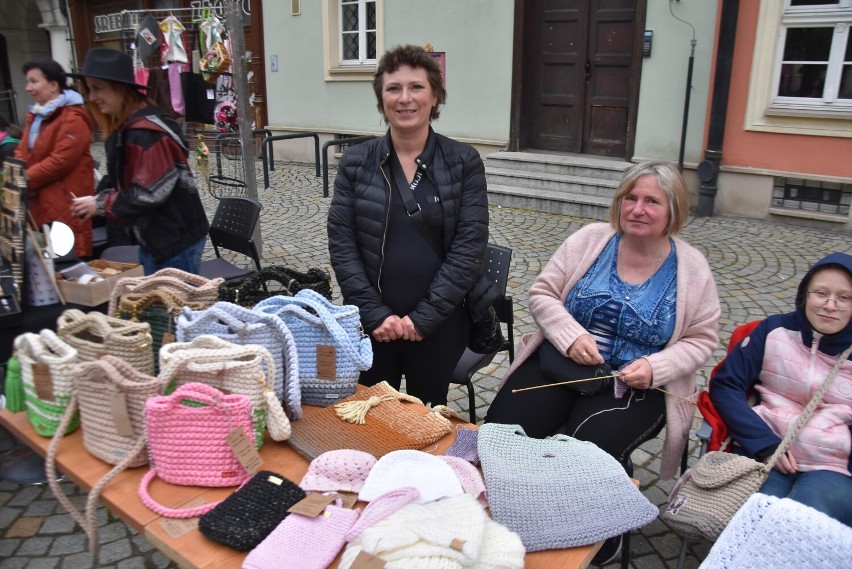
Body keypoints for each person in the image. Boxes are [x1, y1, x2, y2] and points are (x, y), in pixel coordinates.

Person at [485, 160, 720, 563]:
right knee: (501, 434)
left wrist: (655, 367)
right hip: (562, 366)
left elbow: (702, 340)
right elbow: (543, 293)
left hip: (635, 386)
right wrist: (571, 335)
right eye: (630, 198)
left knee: (583, 453)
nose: (637, 209)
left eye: (651, 201)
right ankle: (507, 513)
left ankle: (597, 535)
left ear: (673, 211)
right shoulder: (591, 239)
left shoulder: (691, 267)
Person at [327, 45, 488, 406]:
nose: (405, 98)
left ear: (435, 95)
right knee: (371, 414)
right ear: (381, 98)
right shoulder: (356, 162)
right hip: (371, 325)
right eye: (393, 88)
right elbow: (342, 242)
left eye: (416, 87)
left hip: (438, 325)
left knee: (425, 416)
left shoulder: (463, 162)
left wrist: (423, 319)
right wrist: (374, 314)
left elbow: (469, 247)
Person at [710, 252, 851, 527]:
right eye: (821, 293)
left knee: (801, 522)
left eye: (844, 298)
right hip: (765, 448)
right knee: (757, 515)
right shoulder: (773, 331)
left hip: (833, 466)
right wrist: (763, 444)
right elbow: (726, 385)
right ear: (805, 294)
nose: (830, 305)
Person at [69, 48, 209, 275]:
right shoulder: (132, 125)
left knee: (175, 309)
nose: (91, 97)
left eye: (97, 88)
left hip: (173, 241)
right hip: (161, 239)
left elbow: (149, 192)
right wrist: (100, 197)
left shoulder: (144, 132)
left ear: (121, 88)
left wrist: (100, 204)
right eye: (88, 89)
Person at [14, 60, 94, 258]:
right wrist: (16, 174)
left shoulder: (73, 117)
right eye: (28, 82)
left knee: (66, 261)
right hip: (40, 200)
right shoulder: (37, 115)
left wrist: (24, 179)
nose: (28, 88)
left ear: (53, 84)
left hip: (65, 200)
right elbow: (22, 151)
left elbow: (60, 162)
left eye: (34, 81)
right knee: (46, 262)